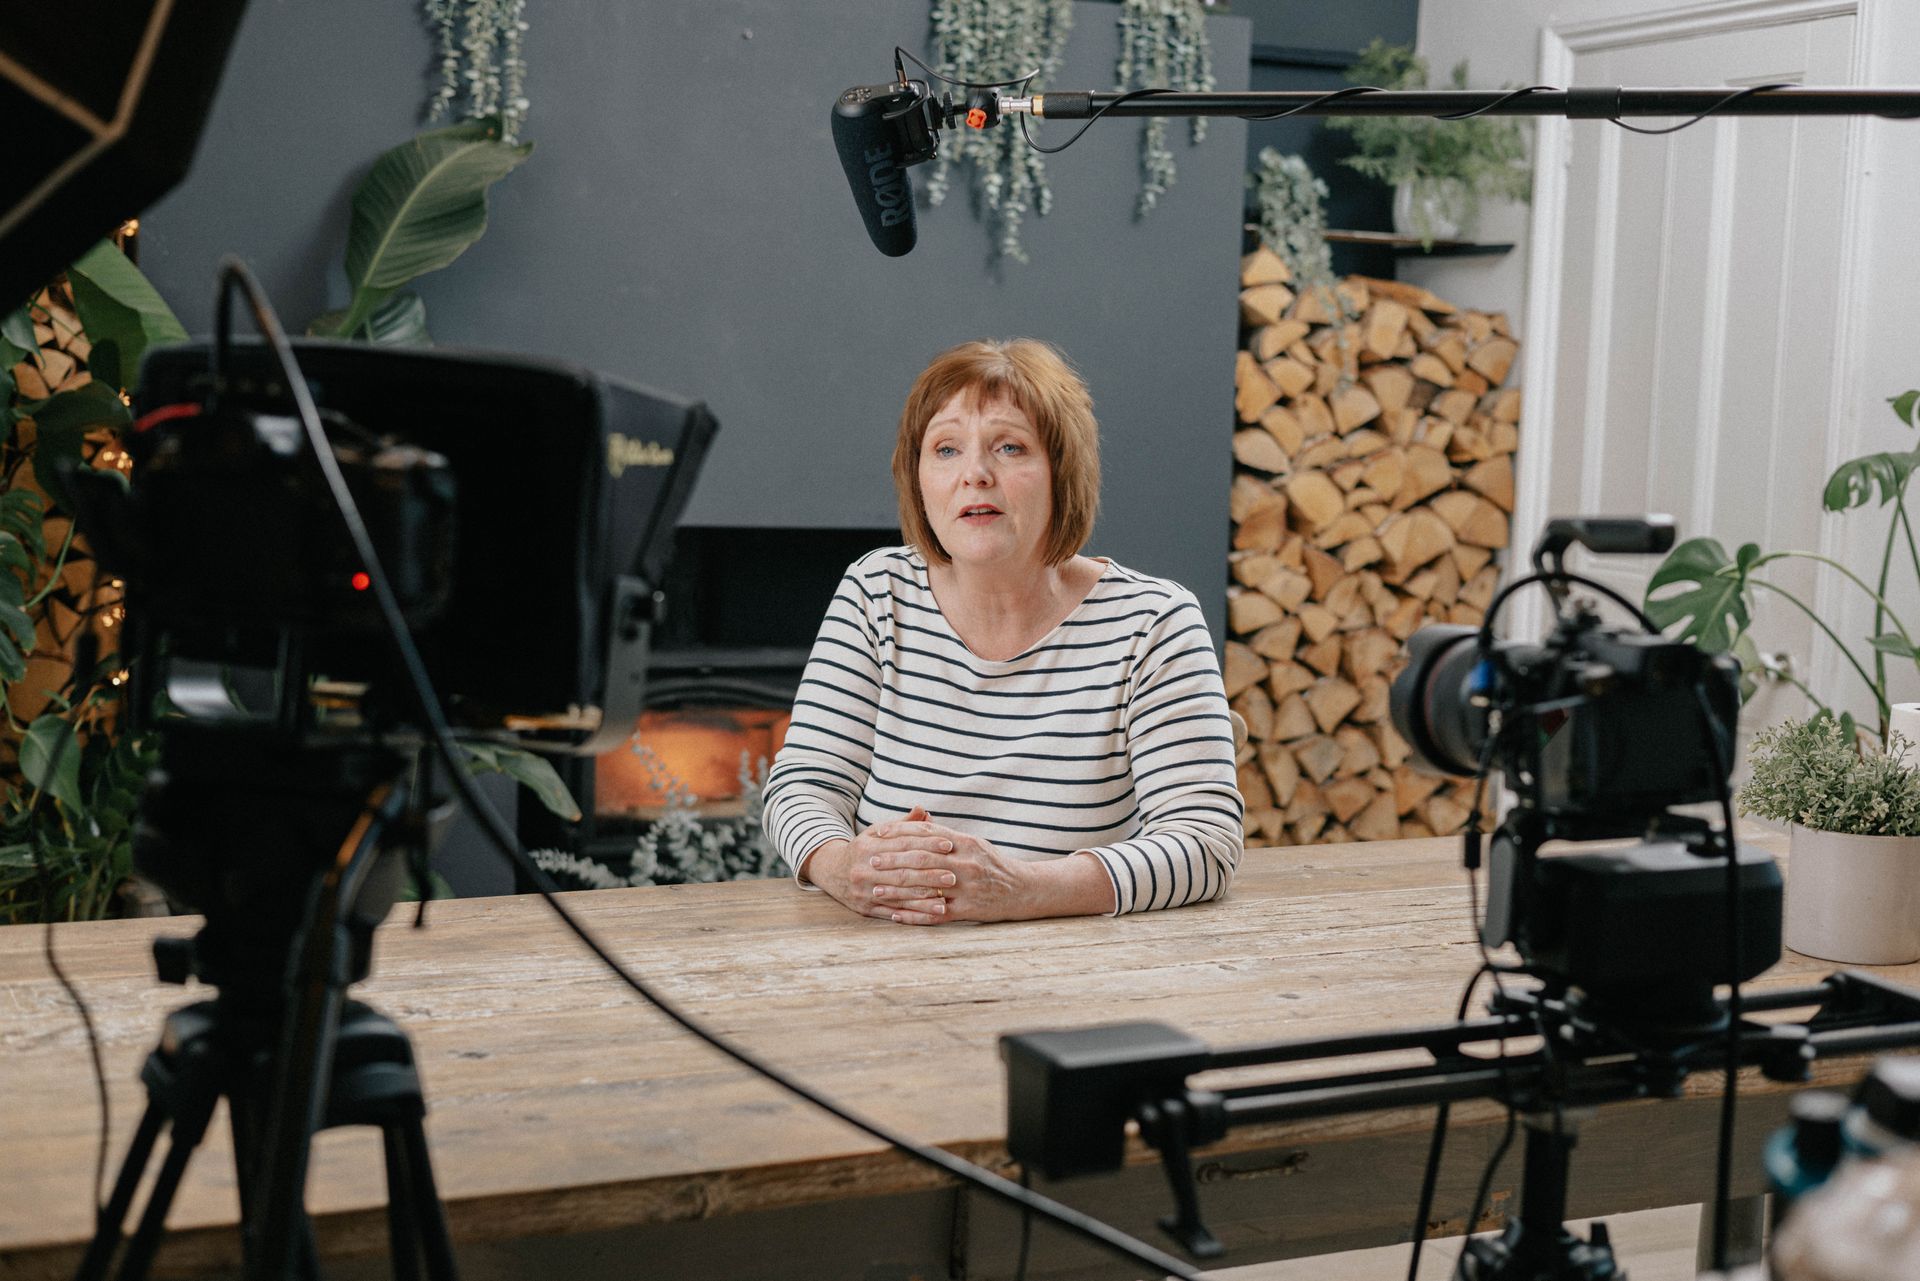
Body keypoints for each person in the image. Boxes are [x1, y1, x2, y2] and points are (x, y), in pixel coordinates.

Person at [761, 339, 1243, 924]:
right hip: (880, 965)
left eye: (1009, 447)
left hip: (1082, 976)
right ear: (917, 479)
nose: (975, 475)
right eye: (945, 449)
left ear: (1062, 471)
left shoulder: (1154, 624)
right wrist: (843, 868)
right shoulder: (876, 590)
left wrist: (1022, 888)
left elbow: (1206, 843)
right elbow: (804, 785)